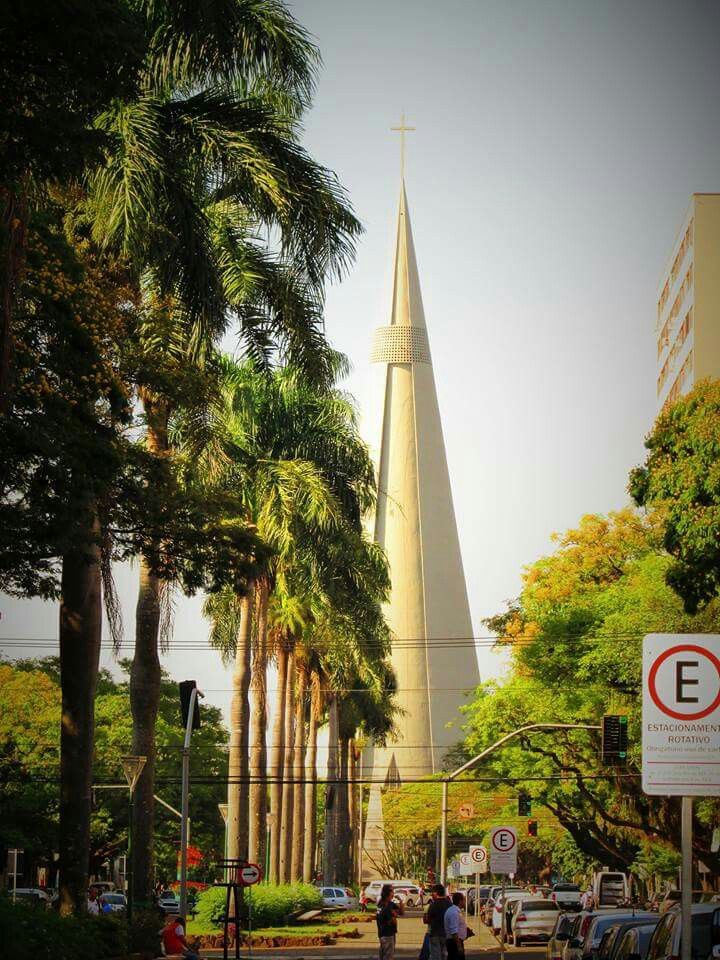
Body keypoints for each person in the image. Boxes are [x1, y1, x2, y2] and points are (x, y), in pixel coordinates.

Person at [424, 883, 451, 960]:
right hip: (446, 934)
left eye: (432, 892)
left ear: (436, 893)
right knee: (444, 955)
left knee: (435, 956)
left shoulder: (433, 905)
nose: (432, 894)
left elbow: (427, 920)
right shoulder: (449, 904)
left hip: (435, 933)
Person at [376, 884, 403, 960]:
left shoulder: (387, 904)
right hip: (387, 935)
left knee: (383, 955)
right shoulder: (385, 906)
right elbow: (391, 922)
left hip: (384, 934)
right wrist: (394, 916)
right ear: (387, 893)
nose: (393, 893)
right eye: (392, 891)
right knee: (388, 957)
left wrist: (400, 901)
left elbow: (401, 912)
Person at [444, 892, 468, 960]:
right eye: (464, 900)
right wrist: (459, 946)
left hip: (455, 942)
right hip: (454, 943)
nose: (465, 902)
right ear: (460, 901)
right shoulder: (454, 912)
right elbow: (454, 931)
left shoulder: (455, 911)